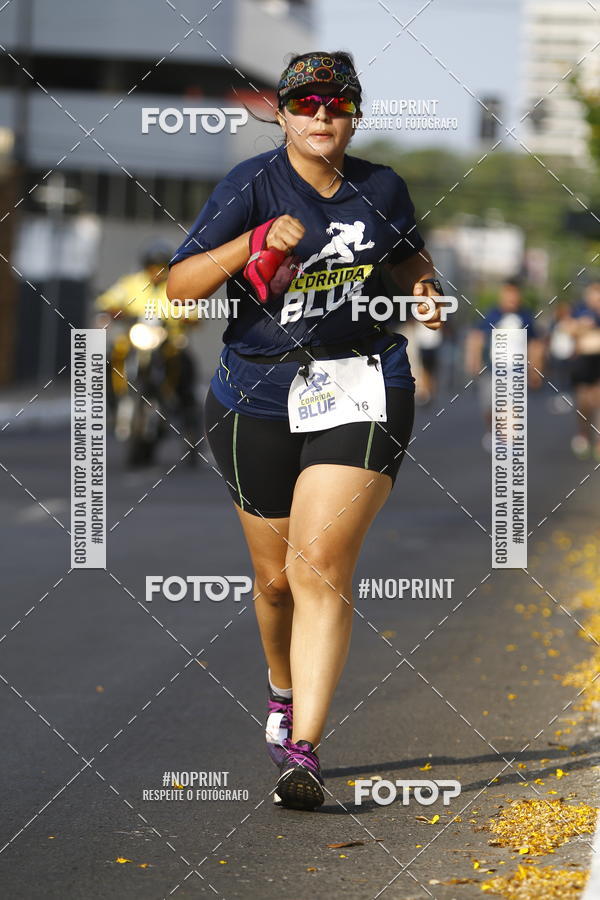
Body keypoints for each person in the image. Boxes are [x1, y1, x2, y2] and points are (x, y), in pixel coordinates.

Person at [167, 50, 443, 811]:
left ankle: (304, 750)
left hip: (362, 382)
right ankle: (280, 687)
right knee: (278, 582)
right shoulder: (251, 185)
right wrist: (253, 246)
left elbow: (407, 253)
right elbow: (179, 287)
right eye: (306, 104)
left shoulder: (382, 186)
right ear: (283, 113)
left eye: (337, 105)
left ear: (354, 114)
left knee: (319, 564)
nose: (322, 116)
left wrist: (422, 287)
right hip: (255, 391)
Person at [95, 239, 201, 450]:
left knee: (185, 365)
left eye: (160, 267)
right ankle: (114, 401)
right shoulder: (131, 283)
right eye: (152, 267)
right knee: (112, 356)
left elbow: (192, 311)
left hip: (169, 341)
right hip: (135, 338)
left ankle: (189, 423)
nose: (156, 272)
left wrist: (187, 318)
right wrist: (113, 311)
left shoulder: (177, 285)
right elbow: (108, 301)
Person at [464, 278, 544, 451]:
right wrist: (473, 361)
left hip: (517, 371)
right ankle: (493, 431)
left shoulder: (526, 316)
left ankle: (507, 442)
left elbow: (535, 344)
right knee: (489, 405)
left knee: (512, 408)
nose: (512, 298)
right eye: (508, 293)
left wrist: (535, 370)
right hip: (492, 369)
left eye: (515, 294)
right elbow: (476, 338)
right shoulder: (491, 314)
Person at [563, 279, 600, 459]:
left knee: (598, 400)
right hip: (584, 363)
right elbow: (568, 329)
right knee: (584, 401)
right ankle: (584, 435)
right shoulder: (580, 310)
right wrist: (581, 327)